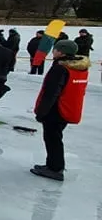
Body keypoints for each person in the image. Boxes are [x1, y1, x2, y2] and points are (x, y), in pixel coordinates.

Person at [31, 39, 89, 181]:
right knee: (55, 138)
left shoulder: (60, 68)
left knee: (52, 138)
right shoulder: (80, 68)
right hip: (69, 108)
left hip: (57, 110)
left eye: (55, 49)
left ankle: (55, 168)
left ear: (61, 52)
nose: (53, 51)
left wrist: (41, 112)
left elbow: (51, 93)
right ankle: (52, 165)